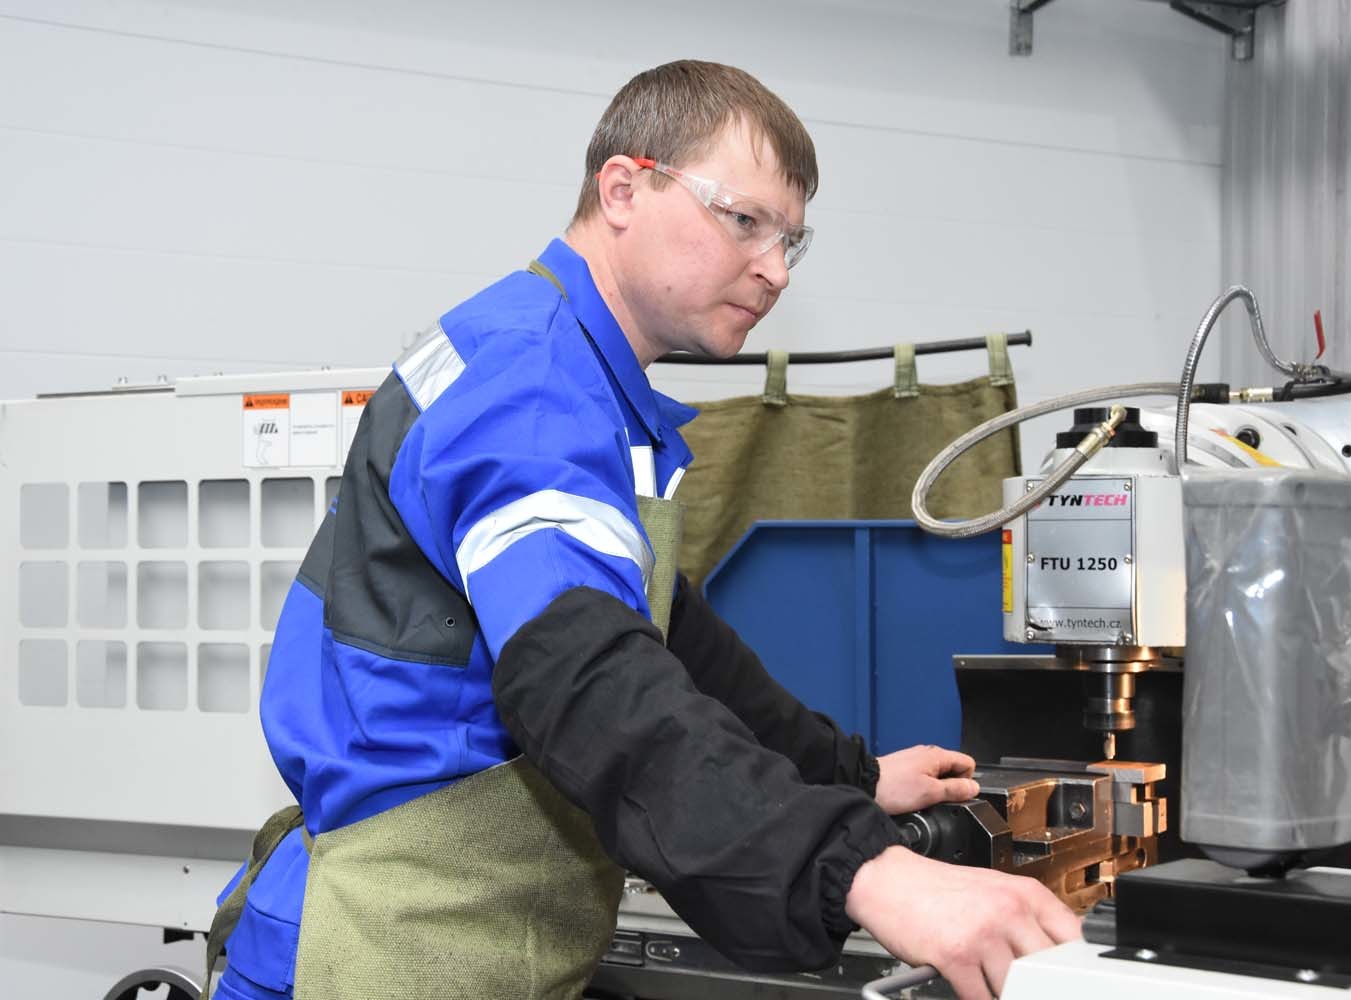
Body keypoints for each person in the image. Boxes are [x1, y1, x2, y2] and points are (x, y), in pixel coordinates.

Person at [205, 59, 1080, 1000]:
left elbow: (669, 636)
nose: (775, 269)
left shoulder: (573, 371)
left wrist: (848, 777)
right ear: (623, 188)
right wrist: (865, 869)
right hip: (375, 954)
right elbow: (583, 676)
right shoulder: (533, 388)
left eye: (792, 239)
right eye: (744, 221)